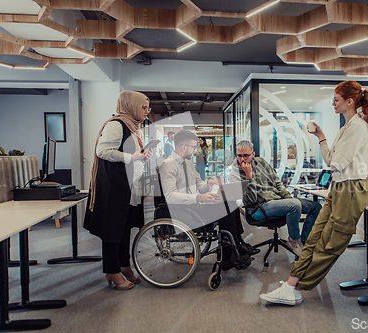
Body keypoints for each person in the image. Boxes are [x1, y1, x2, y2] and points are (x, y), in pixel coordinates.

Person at [259, 80, 368, 305]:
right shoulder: (346, 127)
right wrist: (321, 136)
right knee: (315, 239)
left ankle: (295, 285)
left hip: (351, 189)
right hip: (339, 188)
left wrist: (330, 152)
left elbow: (335, 163)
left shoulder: (358, 127)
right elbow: (330, 161)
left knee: (329, 244)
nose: (333, 103)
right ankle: (291, 284)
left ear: (349, 101)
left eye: (336, 99)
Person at [83, 90, 154, 290]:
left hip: (128, 186)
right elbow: (103, 151)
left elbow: (129, 153)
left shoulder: (132, 126)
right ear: (131, 106)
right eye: (143, 107)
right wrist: (132, 157)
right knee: (113, 230)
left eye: (148, 108)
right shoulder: (117, 124)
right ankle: (112, 271)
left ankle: (124, 266)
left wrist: (141, 156)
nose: (146, 111)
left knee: (124, 227)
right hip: (115, 187)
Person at [159, 130, 258, 269]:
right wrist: (199, 197)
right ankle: (231, 254)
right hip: (183, 210)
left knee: (230, 203)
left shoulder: (187, 163)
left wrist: (209, 184)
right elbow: (170, 196)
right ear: (183, 147)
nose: (195, 150)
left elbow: (199, 184)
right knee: (226, 209)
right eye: (193, 147)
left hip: (194, 205)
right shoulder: (168, 165)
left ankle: (237, 244)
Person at [229, 140, 321, 256]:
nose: (242, 159)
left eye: (246, 155)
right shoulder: (234, 175)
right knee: (294, 205)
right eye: (239, 156)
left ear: (253, 154)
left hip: (277, 201)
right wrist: (249, 176)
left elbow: (276, 182)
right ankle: (294, 241)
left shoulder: (261, 162)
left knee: (316, 207)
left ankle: (304, 242)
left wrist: (287, 197)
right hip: (259, 208)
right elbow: (250, 201)